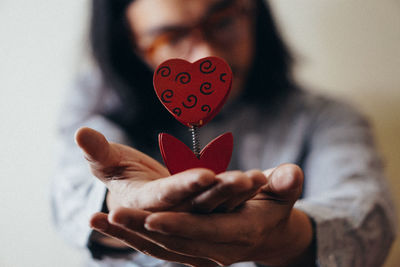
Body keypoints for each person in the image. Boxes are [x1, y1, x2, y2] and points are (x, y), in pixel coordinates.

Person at [51, 0, 396, 266]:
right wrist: (120, 199)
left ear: (254, 12)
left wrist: (285, 236)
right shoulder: (96, 104)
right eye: (170, 37)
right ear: (131, 46)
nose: (208, 54)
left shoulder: (325, 117)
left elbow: (368, 214)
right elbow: (71, 191)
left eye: (225, 20)